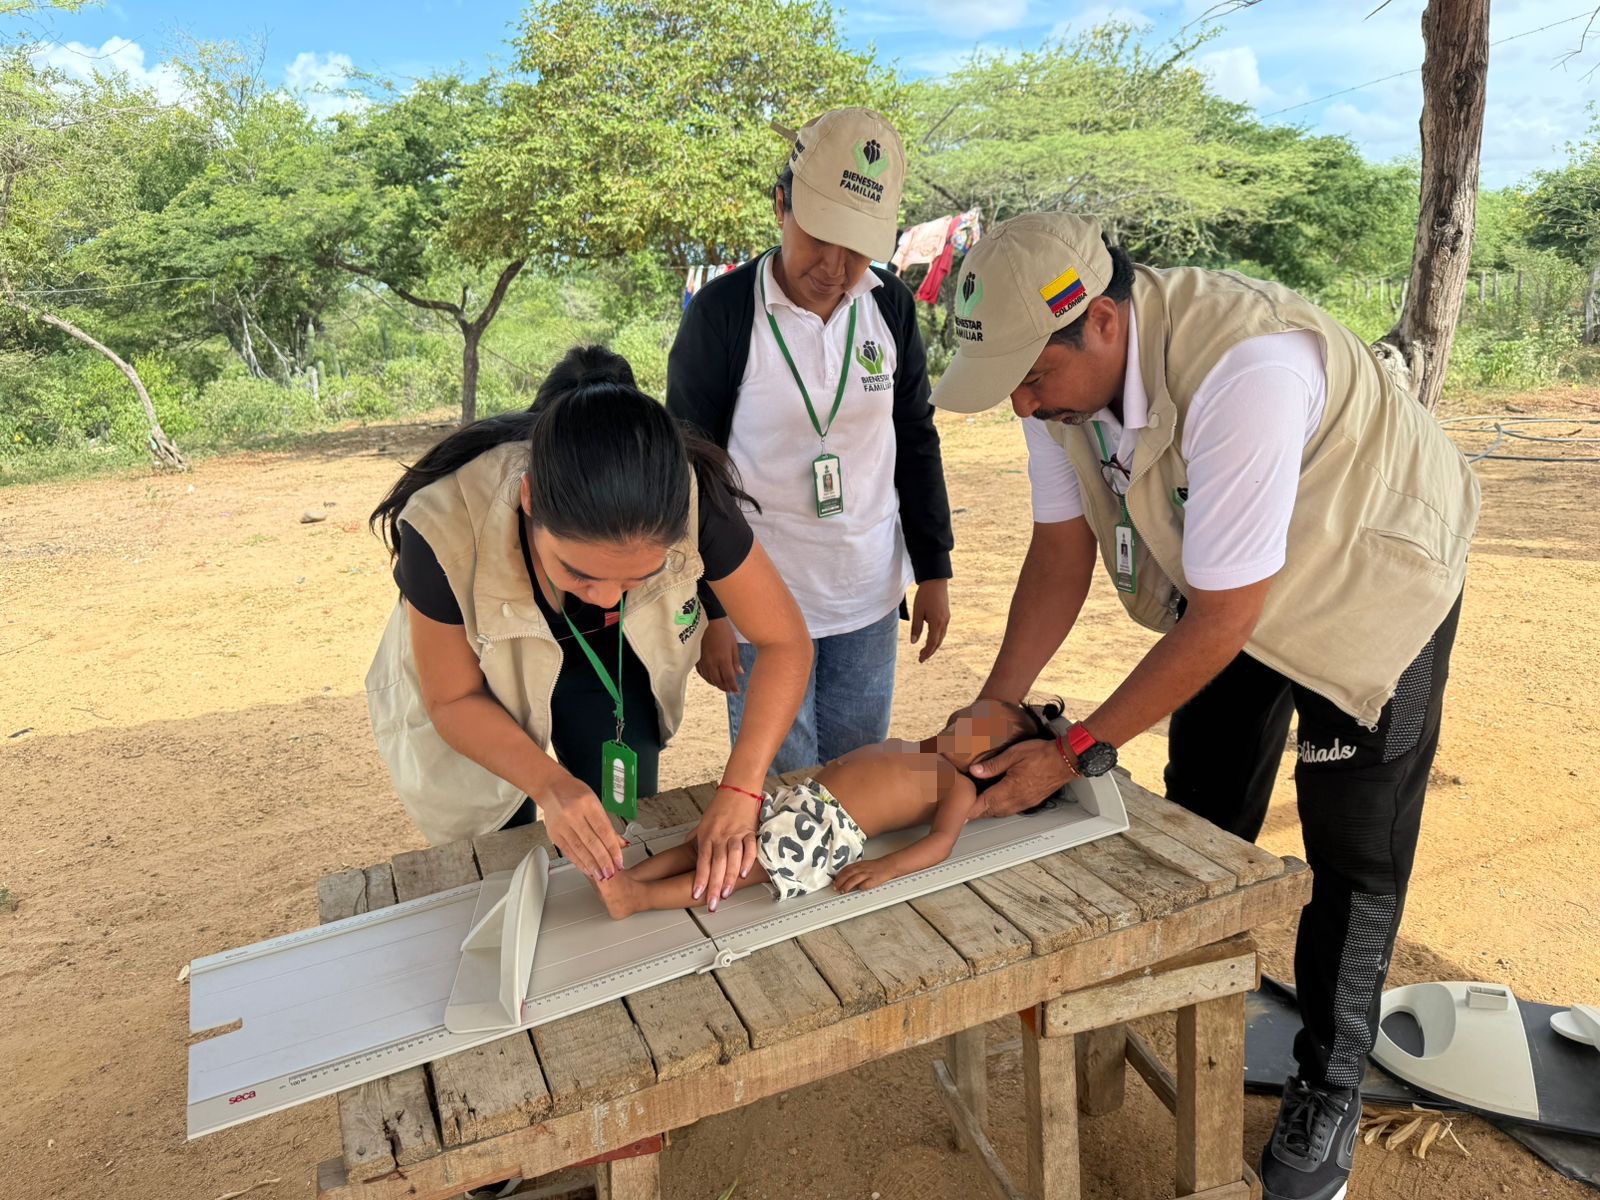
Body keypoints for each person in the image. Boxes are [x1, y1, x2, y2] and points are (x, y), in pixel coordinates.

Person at [930, 213, 1481, 1200]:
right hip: (1234, 581)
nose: (1020, 399)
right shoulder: (1054, 389)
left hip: (1367, 576)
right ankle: (1196, 1008)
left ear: (1097, 323)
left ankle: (1330, 1082)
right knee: (1204, 807)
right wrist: (995, 704)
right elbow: (1061, 554)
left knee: (1352, 847)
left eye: (1029, 376)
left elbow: (1222, 618)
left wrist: (1075, 749)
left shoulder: (1245, 369)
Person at [366, 346, 812, 912]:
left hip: (609, 659)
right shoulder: (446, 524)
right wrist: (550, 785)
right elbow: (452, 697)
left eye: (639, 578)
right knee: (496, 836)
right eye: (580, 572)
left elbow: (785, 642)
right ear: (528, 501)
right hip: (477, 672)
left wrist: (743, 788)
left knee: (621, 815)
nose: (605, 598)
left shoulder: (692, 492)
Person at [667, 106, 954, 775]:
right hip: (760, 600)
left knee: (855, 782)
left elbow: (914, 439)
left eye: (857, 248)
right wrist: (712, 610)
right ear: (781, 206)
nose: (834, 266)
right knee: (779, 786)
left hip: (867, 595)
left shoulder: (889, 308)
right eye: (820, 236)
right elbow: (691, 471)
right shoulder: (724, 316)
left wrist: (933, 567)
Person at [594, 699, 1062, 919]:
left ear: (988, 764)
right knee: (707, 843)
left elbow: (941, 843)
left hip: (824, 832)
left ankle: (639, 899)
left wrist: (887, 867)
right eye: (972, 714)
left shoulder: (957, 786)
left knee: (737, 870)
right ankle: (634, 877)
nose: (968, 718)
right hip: (801, 802)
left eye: (983, 729)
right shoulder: (921, 748)